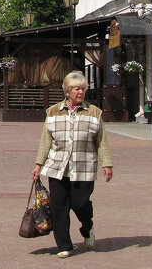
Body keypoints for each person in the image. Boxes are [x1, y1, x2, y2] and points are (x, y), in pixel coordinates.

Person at [31, 71, 113, 258]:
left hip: (84, 168)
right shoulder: (52, 112)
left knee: (79, 203)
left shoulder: (94, 112)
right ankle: (64, 246)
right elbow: (46, 141)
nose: (81, 92)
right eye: (77, 89)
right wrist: (38, 165)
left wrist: (107, 164)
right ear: (67, 91)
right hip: (57, 168)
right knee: (59, 207)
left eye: (83, 88)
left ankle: (88, 226)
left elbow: (101, 141)